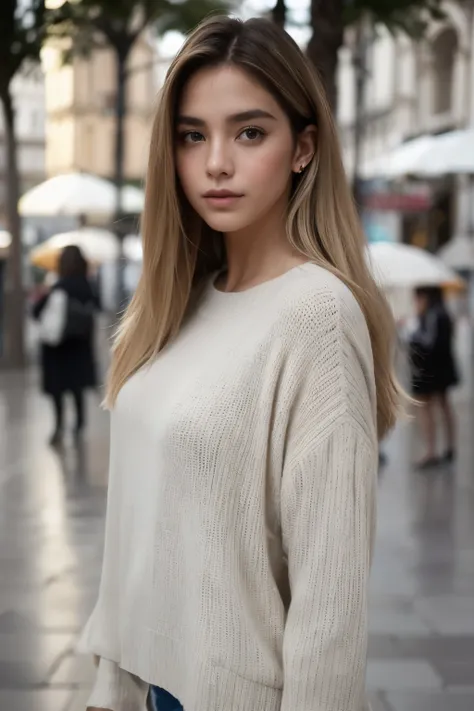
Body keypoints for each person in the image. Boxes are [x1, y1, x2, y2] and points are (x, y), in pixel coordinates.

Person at [82, 16, 402, 711]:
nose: (215, 162)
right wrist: (110, 683)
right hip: (150, 684)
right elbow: (141, 522)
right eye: (192, 135)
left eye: (249, 132)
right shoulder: (179, 301)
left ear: (303, 147)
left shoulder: (317, 315)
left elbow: (330, 605)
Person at [33, 245, 98, 445]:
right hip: (78, 347)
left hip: (57, 348)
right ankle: (79, 425)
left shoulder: (58, 287)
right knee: (76, 388)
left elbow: (36, 312)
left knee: (58, 389)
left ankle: (59, 426)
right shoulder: (87, 286)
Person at [409, 285, 458, 469]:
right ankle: (450, 446)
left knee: (426, 407)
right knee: (444, 405)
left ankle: (431, 451)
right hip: (442, 369)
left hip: (430, 370)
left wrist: (410, 332)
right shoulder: (442, 312)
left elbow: (427, 342)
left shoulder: (431, 315)